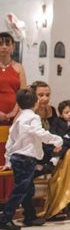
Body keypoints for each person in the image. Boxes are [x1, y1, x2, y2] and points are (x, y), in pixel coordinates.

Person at [0, 88, 62, 230]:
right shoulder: (33, 118)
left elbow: (11, 140)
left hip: (16, 158)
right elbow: (39, 133)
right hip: (26, 159)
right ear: (36, 103)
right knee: (21, 189)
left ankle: (29, 216)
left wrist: (8, 161)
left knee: (28, 189)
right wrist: (56, 140)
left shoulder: (19, 118)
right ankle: (5, 217)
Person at [0, 32, 27, 166]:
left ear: (13, 47)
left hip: (14, 116)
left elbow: (23, 94)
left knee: (11, 152)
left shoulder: (18, 67)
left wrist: (14, 113)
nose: (4, 47)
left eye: (7, 43)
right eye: (0, 44)